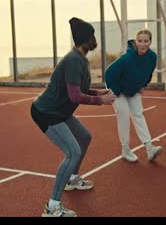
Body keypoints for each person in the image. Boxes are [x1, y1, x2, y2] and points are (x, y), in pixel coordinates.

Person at [30, 17, 116, 217]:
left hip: (60, 111)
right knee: (73, 152)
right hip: (47, 113)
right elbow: (75, 96)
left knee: (84, 137)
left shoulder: (81, 59)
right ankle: (51, 207)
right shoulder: (73, 60)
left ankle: (72, 179)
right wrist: (101, 102)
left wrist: (99, 93)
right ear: (85, 40)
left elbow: (82, 89)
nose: (95, 40)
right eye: (92, 36)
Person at [105, 29, 163, 163]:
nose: (143, 44)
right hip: (116, 88)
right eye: (140, 41)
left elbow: (148, 73)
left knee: (138, 114)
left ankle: (149, 148)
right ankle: (125, 150)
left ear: (150, 42)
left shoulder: (152, 57)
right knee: (124, 114)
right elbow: (109, 74)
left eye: (146, 41)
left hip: (132, 89)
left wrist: (142, 85)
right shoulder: (127, 58)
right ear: (136, 42)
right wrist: (116, 92)